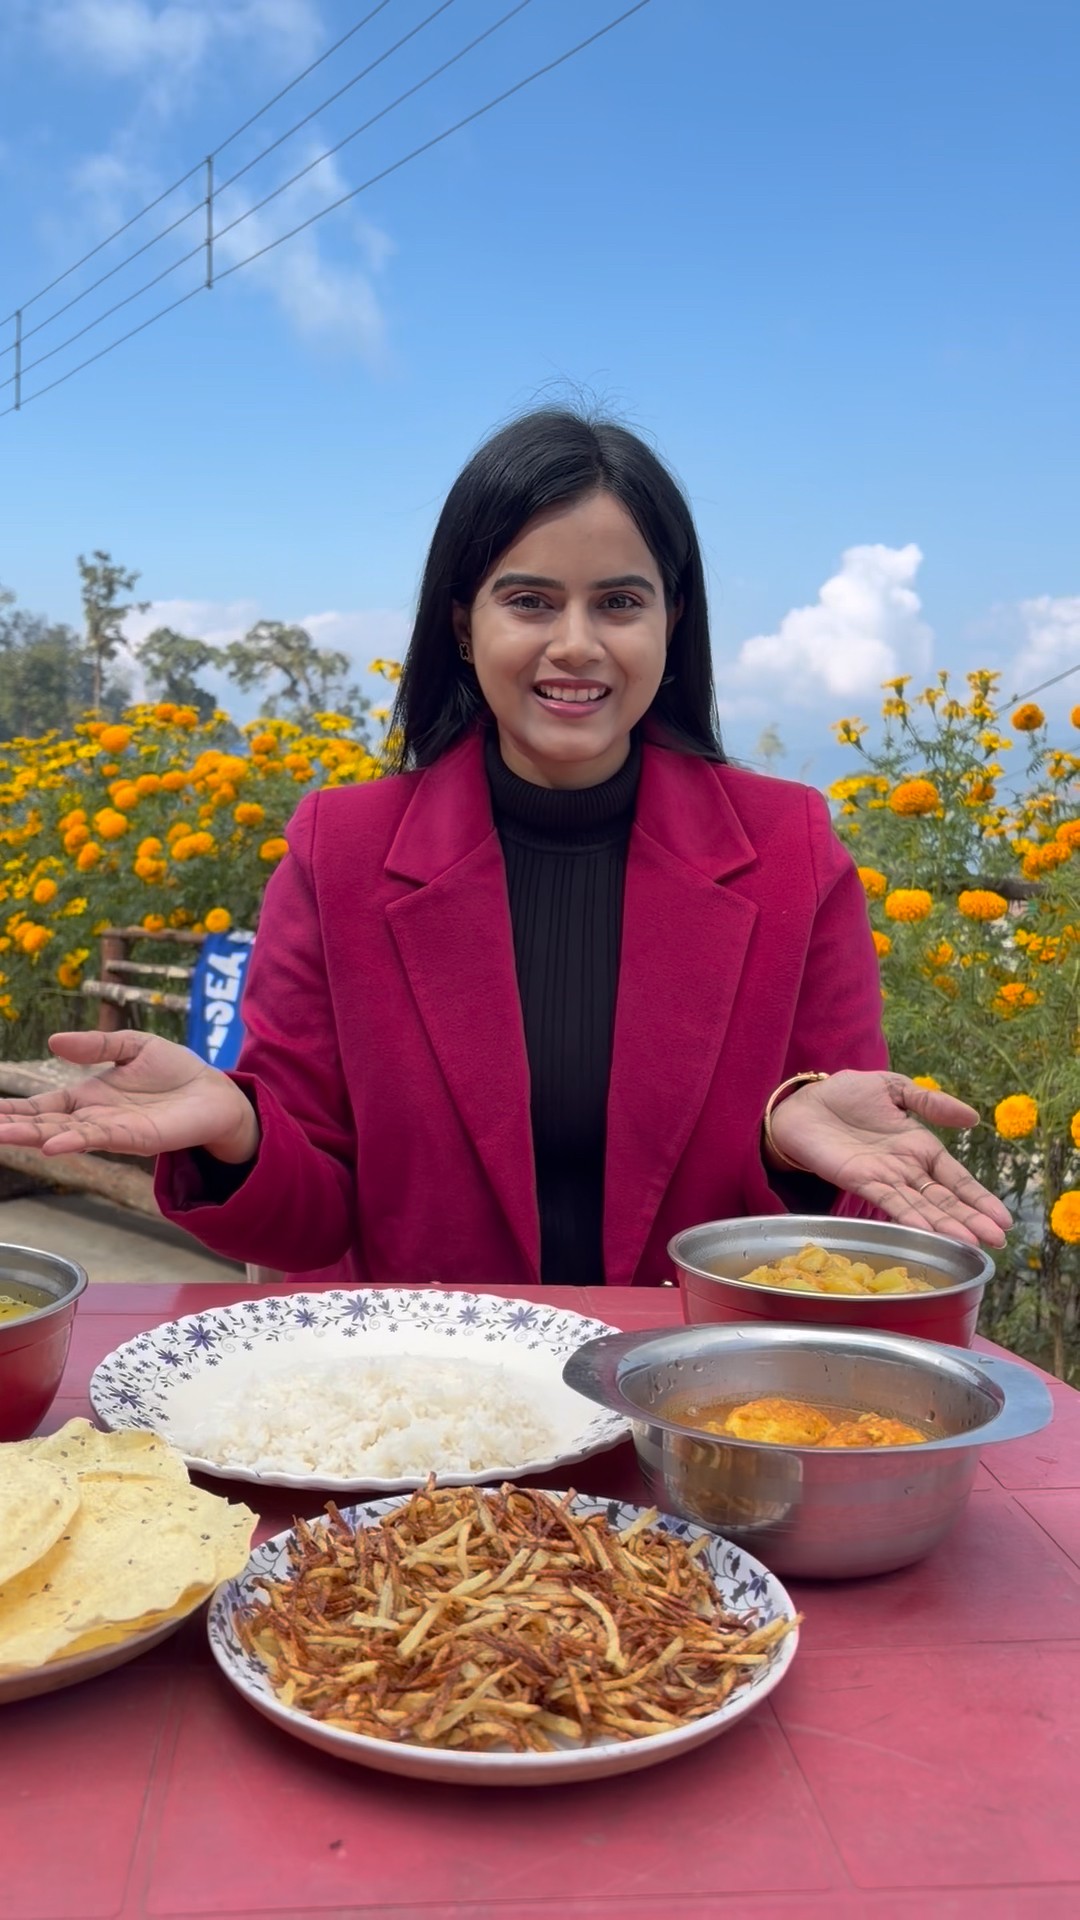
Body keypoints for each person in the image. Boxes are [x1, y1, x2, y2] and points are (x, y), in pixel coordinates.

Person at [0, 409, 1010, 1287]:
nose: (575, 643)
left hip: (689, 1399)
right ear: (463, 621)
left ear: (673, 620)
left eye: (619, 602)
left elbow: (850, 1197)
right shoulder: (340, 850)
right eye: (529, 601)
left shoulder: (790, 850)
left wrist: (790, 1148)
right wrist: (236, 1129)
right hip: (429, 1411)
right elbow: (309, 1223)